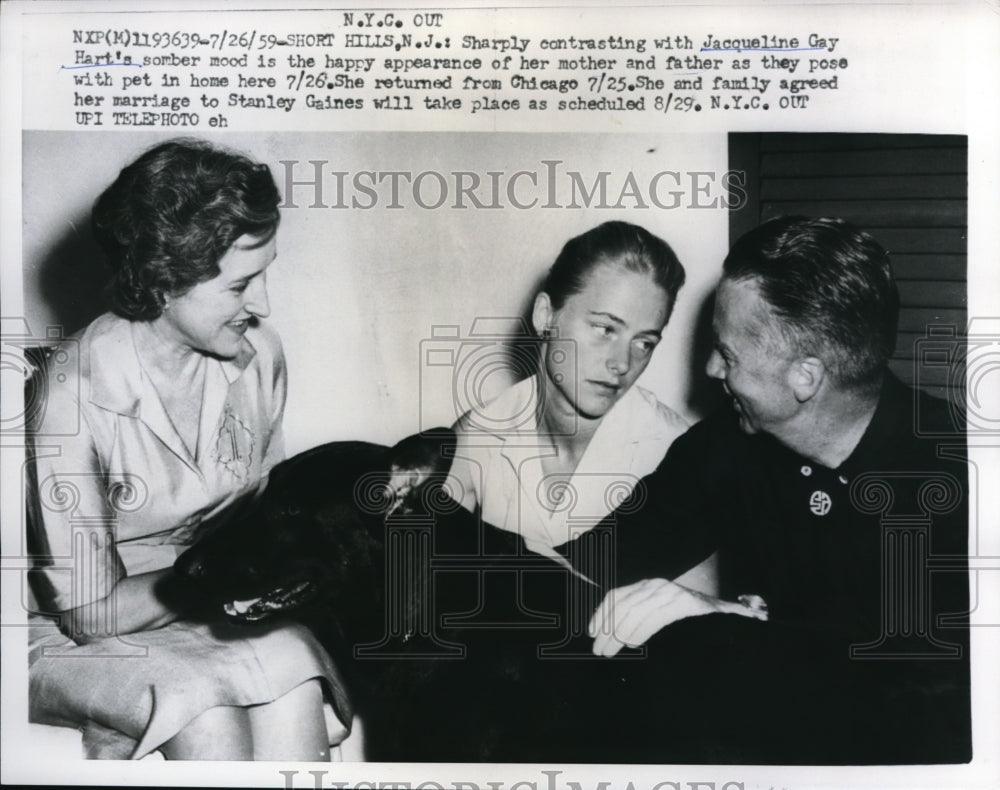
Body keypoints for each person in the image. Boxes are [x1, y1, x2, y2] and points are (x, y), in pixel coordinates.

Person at [579, 216, 970, 763]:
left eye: (729, 354)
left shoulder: (962, 477)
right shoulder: (729, 441)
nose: (711, 368)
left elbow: (924, 710)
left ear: (804, 377)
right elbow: (599, 561)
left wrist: (723, 621)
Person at [26, 139, 350, 760]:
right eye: (239, 285)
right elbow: (88, 614)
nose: (262, 305)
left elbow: (263, 525)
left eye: (264, 274)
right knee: (204, 712)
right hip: (79, 628)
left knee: (296, 680)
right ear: (162, 281)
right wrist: (217, 576)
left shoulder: (259, 357)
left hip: (206, 596)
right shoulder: (71, 393)